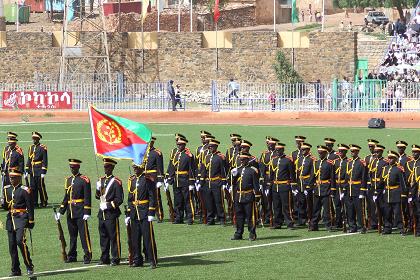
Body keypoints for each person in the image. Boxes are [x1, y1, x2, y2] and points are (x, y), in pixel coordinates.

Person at [56, 159, 92, 264]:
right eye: (71, 167)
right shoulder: (68, 180)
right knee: (72, 235)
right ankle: (72, 255)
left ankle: (87, 254)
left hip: (80, 211)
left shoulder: (84, 180)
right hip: (70, 211)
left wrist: (87, 212)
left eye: (74, 167)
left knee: (83, 234)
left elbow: (87, 196)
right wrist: (61, 211)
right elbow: (66, 197)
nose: (72, 169)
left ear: (78, 167)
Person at [2, 168, 34, 276]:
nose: (11, 180)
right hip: (10, 220)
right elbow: (6, 207)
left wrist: (31, 220)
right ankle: (15, 269)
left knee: (20, 241)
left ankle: (29, 265)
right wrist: (2, 203)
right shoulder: (7, 189)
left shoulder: (25, 190)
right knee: (12, 246)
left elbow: (30, 206)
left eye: (14, 178)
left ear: (19, 178)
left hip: (21, 218)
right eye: (10, 178)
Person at [126, 162, 158, 269]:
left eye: (137, 167)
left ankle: (152, 260)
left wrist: (151, 212)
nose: (135, 169)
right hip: (135, 213)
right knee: (135, 238)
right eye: (134, 167)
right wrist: (129, 213)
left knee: (148, 238)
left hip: (144, 212)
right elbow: (130, 198)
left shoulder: (147, 179)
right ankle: (137, 259)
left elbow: (152, 196)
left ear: (142, 167)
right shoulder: (132, 180)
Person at [95, 158, 123, 266]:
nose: (105, 169)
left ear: (112, 168)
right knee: (103, 237)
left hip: (111, 214)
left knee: (113, 237)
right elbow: (98, 197)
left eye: (107, 167)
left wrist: (107, 205)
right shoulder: (101, 180)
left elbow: (119, 199)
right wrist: (98, 189)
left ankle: (115, 258)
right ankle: (104, 258)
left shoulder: (116, 182)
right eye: (104, 167)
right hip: (102, 214)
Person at [230, 152, 261, 241]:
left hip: (248, 195)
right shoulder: (238, 170)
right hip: (238, 196)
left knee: (250, 216)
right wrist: (233, 176)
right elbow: (233, 183)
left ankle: (252, 233)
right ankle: (239, 233)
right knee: (239, 216)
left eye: (243, 160)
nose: (242, 161)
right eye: (241, 159)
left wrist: (257, 196)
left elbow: (256, 184)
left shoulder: (253, 170)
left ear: (247, 160)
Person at [166, 136, 195, 224]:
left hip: (185, 180)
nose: (178, 146)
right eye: (178, 145)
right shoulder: (175, 154)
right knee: (177, 200)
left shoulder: (188, 155)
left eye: (180, 145)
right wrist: (169, 178)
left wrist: (191, 182)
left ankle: (190, 218)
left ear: (184, 145)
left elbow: (191, 169)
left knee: (187, 200)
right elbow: (171, 166)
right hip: (176, 180)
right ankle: (179, 217)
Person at [198, 139, 227, 226]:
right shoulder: (206, 157)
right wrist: (201, 181)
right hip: (207, 182)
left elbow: (223, 170)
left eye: (212, 147)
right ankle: (210, 219)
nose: (210, 148)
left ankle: (222, 218)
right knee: (208, 202)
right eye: (209, 147)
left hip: (216, 182)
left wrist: (224, 182)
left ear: (216, 147)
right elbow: (203, 170)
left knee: (218, 202)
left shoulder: (220, 157)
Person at [269, 142, 296, 229]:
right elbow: (272, 174)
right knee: (276, 206)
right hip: (275, 186)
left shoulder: (288, 160)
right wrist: (270, 184)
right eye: (276, 150)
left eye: (279, 150)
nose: (277, 151)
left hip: (284, 186)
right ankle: (277, 223)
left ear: (283, 150)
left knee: (286, 205)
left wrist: (293, 185)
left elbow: (292, 174)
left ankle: (289, 223)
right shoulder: (273, 160)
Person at [310, 145, 336, 231]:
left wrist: (332, 190)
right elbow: (313, 176)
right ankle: (314, 225)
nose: (320, 154)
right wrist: (310, 186)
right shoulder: (316, 163)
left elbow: (332, 177)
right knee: (316, 209)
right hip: (317, 189)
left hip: (326, 188)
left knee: (327, 209)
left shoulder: (329, 163)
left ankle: (329, 225)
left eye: (321, 153)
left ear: (325, 153)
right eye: (319, 153)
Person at [381, 150, 407, 235]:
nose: (390, 159)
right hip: (387, 193)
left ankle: (401, 228)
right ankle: (387, 228)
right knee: (387, 212)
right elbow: (382, 182)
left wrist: (403, 194)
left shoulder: (398, 169)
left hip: (396, 193)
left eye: (392, 158)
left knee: (398, 212)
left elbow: (403, 182)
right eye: (389, 158)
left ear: (395, 159)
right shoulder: (385, 168)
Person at [344, 145, 368, 233]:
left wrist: (362, 191)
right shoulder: (349, 162)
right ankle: (352, 226)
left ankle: (362, 227)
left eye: (353, 151)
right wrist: (344, 189)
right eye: (351, 151)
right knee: (350, 210)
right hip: (349, 190)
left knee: (359, 210)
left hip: (357, 189)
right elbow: (346, 176)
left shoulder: (361, 163)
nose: (352, 153)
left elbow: (364, 178)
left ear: (357, 152)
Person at [144, 137, 165, 222]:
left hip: (153, 177)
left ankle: (159, 215)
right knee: (145, 196)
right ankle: (147, 214)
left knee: (155, 196)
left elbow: (160, 167)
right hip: (144, 177)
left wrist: (160, 180)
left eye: (149, 143)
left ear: (152, 143)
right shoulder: (143, 153)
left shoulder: (156, 153)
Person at [25, 131, 48, 208]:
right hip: (32, 170)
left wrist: (43, 171)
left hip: (39, 169)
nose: (33, 140)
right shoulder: (31, 147)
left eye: (35, 138)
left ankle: (44, 201)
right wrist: (27, 169)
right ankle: (34, 202)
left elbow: (45, 160)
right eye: (33, 138)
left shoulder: (42, 148)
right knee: (33, 187)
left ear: (38, 139)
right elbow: (29, 159)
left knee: (40, 187)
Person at [259, 137, 278, 226]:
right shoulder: (264, 154)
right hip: (266, 177)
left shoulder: (277, 154)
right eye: (268, 144)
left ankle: (276, 217)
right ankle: (267, 217)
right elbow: (262, 165)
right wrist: (262, 177)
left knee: (275, 199)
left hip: (274, 178)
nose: (269, 146)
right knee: (265, 199)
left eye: (271, 144)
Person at [368, 144, 388, 232]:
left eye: (377, 152)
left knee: (382, 206)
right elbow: (370, 174)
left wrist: (382, 186)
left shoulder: (385, 162)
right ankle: (374, 223)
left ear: (381, 152)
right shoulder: (373, 161)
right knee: (372, 206)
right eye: (375, 152)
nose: (376, 154)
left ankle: (383, 223)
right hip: (373, 187)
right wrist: (371, 184)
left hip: (381, 187)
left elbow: (386, 175)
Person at [295, 143, 315, 227]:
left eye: (304, 150)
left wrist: (309, 185)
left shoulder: (311, 159)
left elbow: (312, 173)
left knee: (309, 203)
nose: (302, 151)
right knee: (300, 202)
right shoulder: (299, 159)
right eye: (302, 149)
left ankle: (309, 219)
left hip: (307, 183)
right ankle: (301, 220)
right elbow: (297, 172)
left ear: (308, 150)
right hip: (300, 183)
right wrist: (296, 184)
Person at [333, 144, 349, 230]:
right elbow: (332, 175)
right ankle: (338, 222)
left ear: (346, 152)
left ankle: (346, 221)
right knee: (337, 205)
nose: (340, 153)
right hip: (336, 185)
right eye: (339, 151)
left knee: (345, 205)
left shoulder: (348, 162)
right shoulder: (335, 162)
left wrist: (345, 187)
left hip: (344, 185)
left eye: (342, 151)